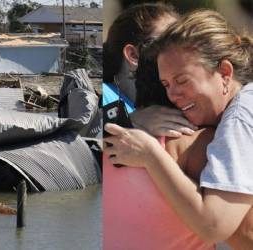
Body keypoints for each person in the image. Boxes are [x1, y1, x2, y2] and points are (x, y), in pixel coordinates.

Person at [104, 9, 253, 248]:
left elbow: (213, 226)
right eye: (166, 84)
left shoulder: (240, 118)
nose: (172, 94)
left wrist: (151, 155)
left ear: (225, 73)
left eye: (182, 80)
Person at [103, 2, 197, 137]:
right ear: (133, 55)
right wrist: (130, 121)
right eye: (168, 41)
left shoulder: (173, 95)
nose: (181, 49)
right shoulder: (104, 95)